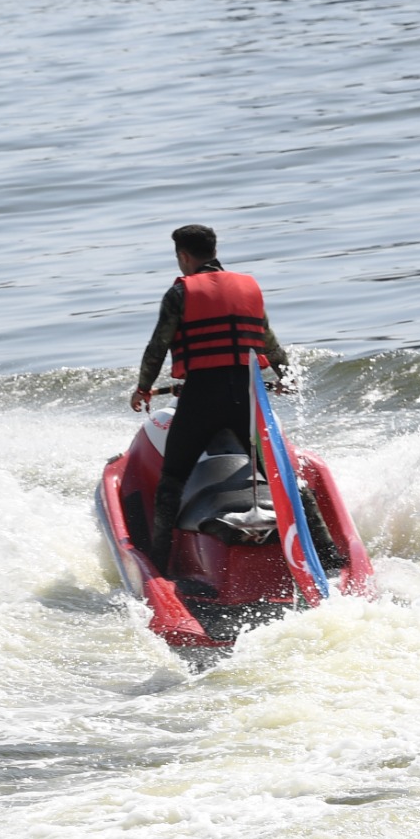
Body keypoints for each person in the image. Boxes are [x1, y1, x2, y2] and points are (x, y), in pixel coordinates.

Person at [129, 224, 291, 578]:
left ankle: (159, 565)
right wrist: (286, 376)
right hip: (246, 394)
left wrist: (143, 387)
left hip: (201, 397)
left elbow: (157, 347)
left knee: (172, 479)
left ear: (183, 256)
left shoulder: (179, 294)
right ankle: (324, 550)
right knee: (277, 474)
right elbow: (270, 343)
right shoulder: (248, 288)